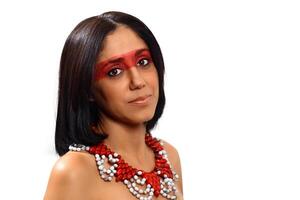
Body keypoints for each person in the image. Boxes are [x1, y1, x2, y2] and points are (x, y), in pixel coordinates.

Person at [44, 11, 184, 200]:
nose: (138, 81)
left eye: (143, 62)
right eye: (114, 71)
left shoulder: (168, 156)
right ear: (87, 88)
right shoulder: (74, 171)